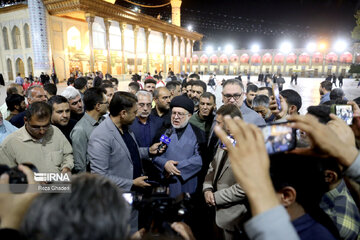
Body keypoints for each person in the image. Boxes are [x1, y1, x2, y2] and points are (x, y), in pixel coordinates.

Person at [88, 92, 163, 234]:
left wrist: (148, 151)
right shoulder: (101, 136)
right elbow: (99, 176)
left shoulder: (125, 128)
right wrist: (132, 183)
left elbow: (127, 153)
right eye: (134, 112)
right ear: (123, 113)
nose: (136, 115)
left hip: (132, 196)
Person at [203, 104, 247, 240]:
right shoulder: (224, 141)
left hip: (233, 217)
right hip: (213, 213)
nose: (216, 126)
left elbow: (245, 187)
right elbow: (212, 168)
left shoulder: (248, 148)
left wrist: (216, 198)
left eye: (219, 123)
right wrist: (207, 189)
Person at [153, 95, 204, 198]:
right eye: (174, 113)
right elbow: (155, 154)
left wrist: (172, 168)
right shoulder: (164, 131)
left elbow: (199, 160)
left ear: (189, 116)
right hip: (167, 183)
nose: (176, 117)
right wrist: (165, 164)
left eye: (180, 114)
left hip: (189, 183)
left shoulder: (198, 133)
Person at [0, 102, 74, 173]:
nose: (42, 131)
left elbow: (67, 155)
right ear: (25, 120)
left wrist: (66, 167)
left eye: (46, 126)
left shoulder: (55, 132)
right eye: (36, 127)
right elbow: (7, 177)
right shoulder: (9, 144)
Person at [70, 88, 107, 173]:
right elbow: (80, 164)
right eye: (106, 103)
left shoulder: (105, 121)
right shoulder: (80, 130)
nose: (108, 105)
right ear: (98, 106)